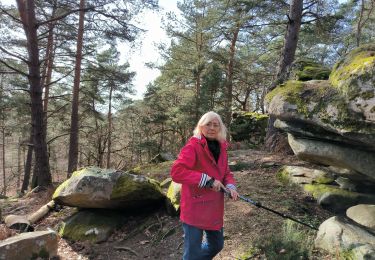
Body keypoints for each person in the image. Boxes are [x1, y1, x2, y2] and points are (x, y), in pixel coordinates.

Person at [171, 111, 239, 260]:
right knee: (192, 253)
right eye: (208, 124)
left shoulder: (222, 148)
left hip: (214, 208)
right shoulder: (192, 146)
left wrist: (231, 187)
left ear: (220, 128)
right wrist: (206, 180)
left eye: (216, 125)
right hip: (194, 208)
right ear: (201, 126)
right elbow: (177, 172)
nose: (212, 128)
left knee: (216, 245)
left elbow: (226, 173)